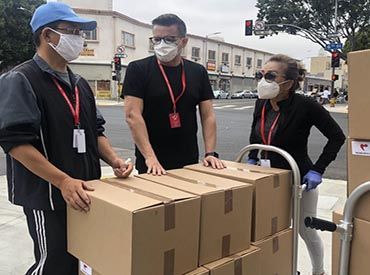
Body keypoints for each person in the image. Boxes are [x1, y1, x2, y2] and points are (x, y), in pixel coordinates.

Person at [0, 2, 133, 274]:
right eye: (71, 30)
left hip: (83, 192)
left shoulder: (80, 84)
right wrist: (62, 180)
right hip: (47, 195)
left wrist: (115, 160)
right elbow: (15, 143)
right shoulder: (21, 79)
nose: (79, 38)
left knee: (80, 263)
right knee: (54, 265)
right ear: (47, 35)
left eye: (80, 31)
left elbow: (95, 131)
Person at [247, 54, 345, 275]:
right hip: (266, 179)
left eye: (270, 76)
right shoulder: (261, 103)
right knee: (270, 229)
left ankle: (318, 271)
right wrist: (252, 156)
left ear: (288, 83)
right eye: (261, 75)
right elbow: (255, 134)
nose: (263, 80)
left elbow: (337, 136)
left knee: (305, 229)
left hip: (299, 179)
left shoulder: (306, 105)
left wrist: (317, 169)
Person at [122, 14, 224, 175]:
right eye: (157, 39)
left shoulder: (197, 72)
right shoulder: (138, 69)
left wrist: (210, 153)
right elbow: (132, 115)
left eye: (169, 39)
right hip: (151, 161)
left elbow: (208, 115)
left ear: (183, 41)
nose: (162, 44)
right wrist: (150, 157)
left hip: (188, 158)